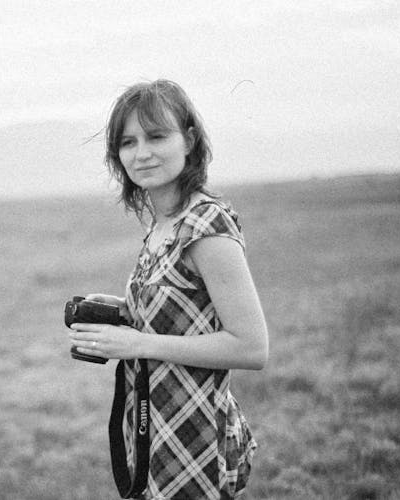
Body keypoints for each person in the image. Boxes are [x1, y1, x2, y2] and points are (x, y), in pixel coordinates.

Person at [68, 79, 268, 499]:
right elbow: (188, 312)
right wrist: (123, 316)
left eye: (157, 136)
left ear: (189, 140)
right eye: (128, 142)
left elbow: (250, 347)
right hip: (155, 431)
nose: (141, 153)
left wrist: (138, 342)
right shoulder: (161, 226)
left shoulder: (206, 226)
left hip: (195, 439)